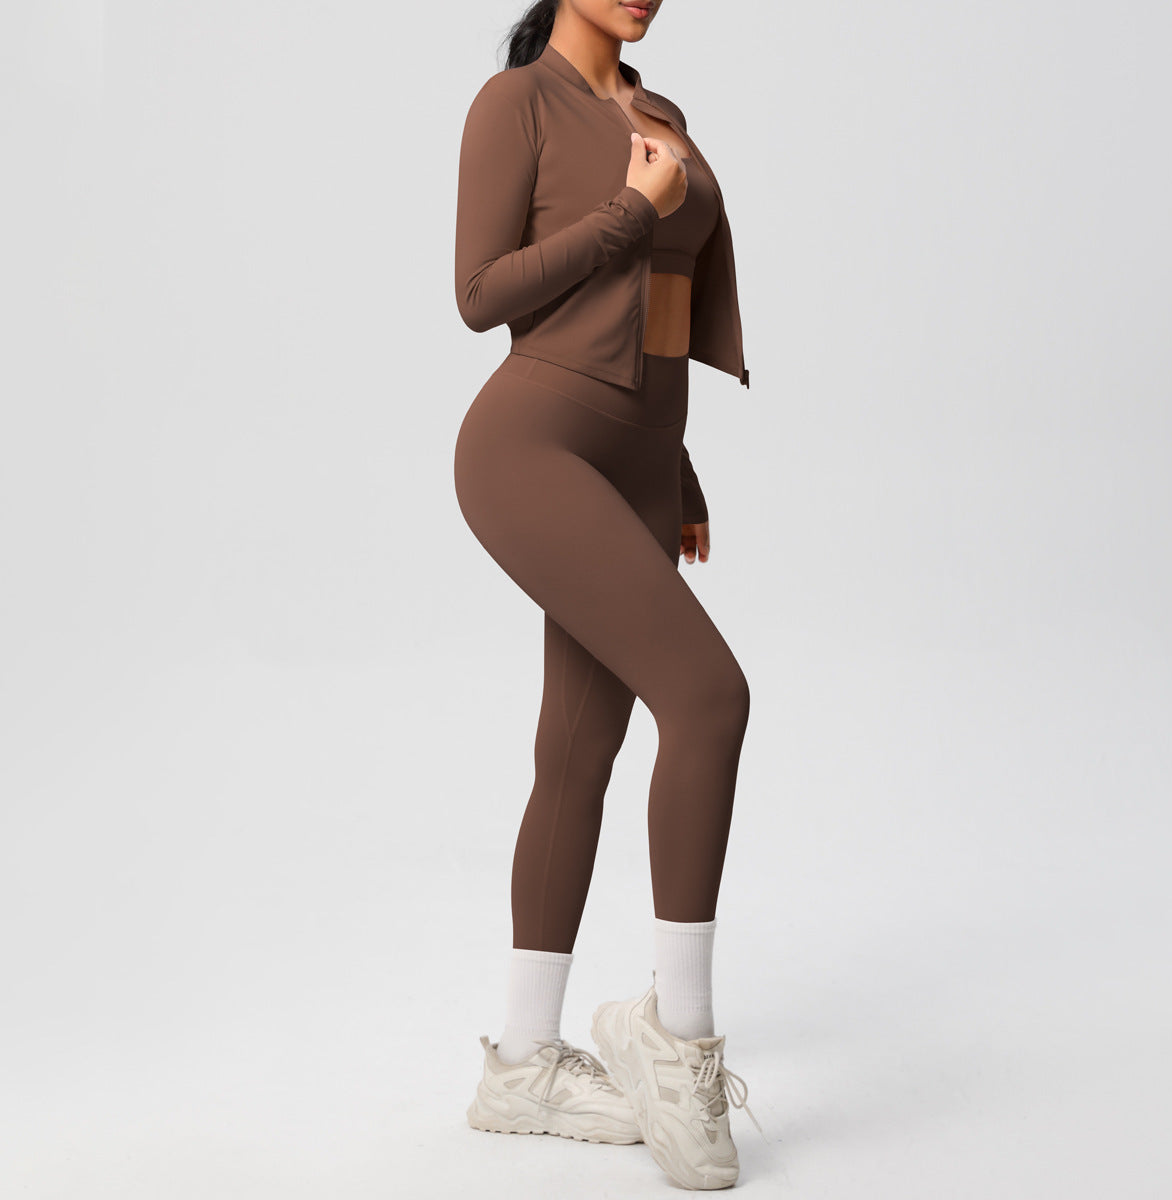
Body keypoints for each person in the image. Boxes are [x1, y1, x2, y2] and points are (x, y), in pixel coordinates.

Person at [453, 1, 761, 1188]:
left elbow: (662, 306)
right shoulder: (516, 103)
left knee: (578, 751)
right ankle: (679, 1041)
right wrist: (630, 209)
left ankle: (523, 1061)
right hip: (532, 446)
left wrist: (673, 466)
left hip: (638, 459)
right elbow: (480, 292)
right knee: (711, 700)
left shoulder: (661, 112)